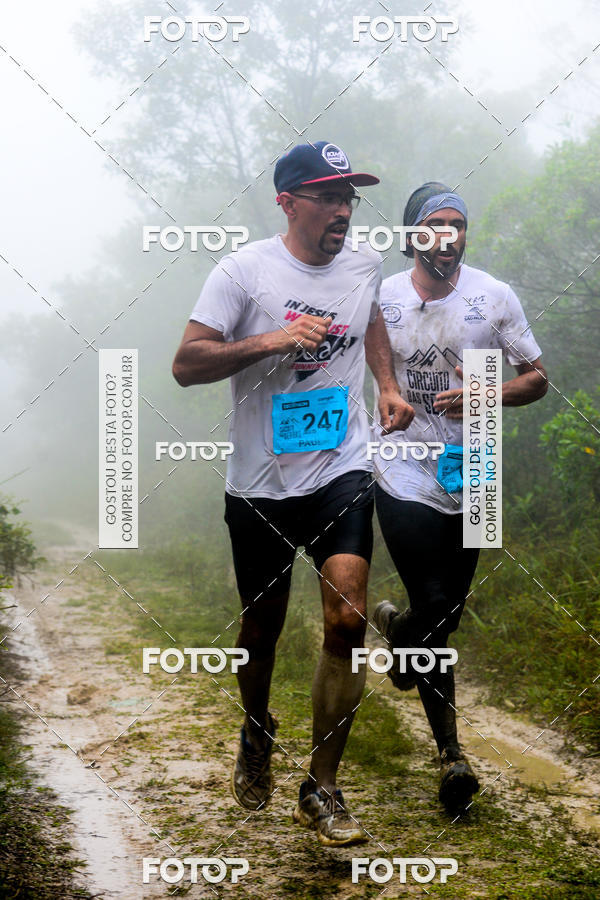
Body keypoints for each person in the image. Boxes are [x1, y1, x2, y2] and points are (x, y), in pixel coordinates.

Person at [172, 141, 409, 845]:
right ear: (289, 202)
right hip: (260, 487)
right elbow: (187, 363)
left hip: (341, 471)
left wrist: (389, 386)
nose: (343, 211)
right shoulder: (242, 272)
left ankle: (324, 786)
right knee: (261, 630)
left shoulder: (365, 264)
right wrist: (272, 340)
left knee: (345, 620)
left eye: (349, 198)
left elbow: (371, 321)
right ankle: (255, 726)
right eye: (329, 197)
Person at [369, 182, 548, 811]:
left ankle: (400, 630)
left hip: (477, 460)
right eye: (434, 224)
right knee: (436, 598)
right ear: (413, 234)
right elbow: (356, 357)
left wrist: (487, 396)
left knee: (446, 613)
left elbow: (537, 379)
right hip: (402, 460)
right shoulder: (382, 295)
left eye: (457, 224)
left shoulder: (493, 295)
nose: (447, 235)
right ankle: (451, 757)